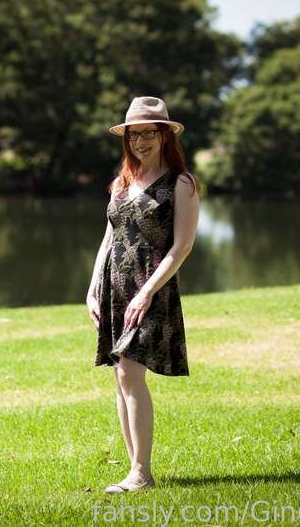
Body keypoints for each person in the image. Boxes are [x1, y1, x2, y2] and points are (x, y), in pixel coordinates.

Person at [85, 96, 200, 493]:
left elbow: (182, 247)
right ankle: (134, 468)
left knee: (131, 373)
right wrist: (92, 289)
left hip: (151, 290)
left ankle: (141, 473)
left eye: (148, 133)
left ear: (164, 135)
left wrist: (147, 293)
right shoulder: (121, 183)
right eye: (133, 135)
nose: (140, 142)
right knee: (121, 376)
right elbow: (108, 240)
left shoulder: (181, 184)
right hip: (115, 290)